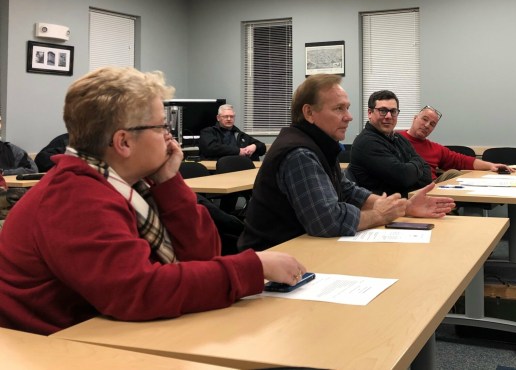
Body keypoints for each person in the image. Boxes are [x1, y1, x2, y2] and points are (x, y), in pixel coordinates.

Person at [0, 66, 304, 335]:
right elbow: (139, 291)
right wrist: (253, 267)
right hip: (57, 349)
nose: (170, 139)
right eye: (161, 127)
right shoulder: (75, 198)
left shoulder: (133, 184)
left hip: (107, 332)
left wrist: (169, 183)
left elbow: (202, 255)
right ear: (124, 142)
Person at [238, 75, 455, 252]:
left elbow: (347, 190)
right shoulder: (299, 153)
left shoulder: (320, 144)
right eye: (339, 109)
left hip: (302, 250)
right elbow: (328, 220)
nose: (349, 117)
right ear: (309, 113)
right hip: (273, 261)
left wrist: (402, 207)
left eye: (347, 108)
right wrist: (381, 215)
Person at [348, 90, 432, 196]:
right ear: (370, 113)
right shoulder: (367, 142)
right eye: (383, 111)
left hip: (410, 201)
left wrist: (412, 170)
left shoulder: (398, 138)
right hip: (386, 209)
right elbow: (403, 177)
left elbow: (427, 173)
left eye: (393, 111)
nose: (388, 116)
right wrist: (417, 164)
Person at [399, 105, 513, 181]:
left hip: (431, 188)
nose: (427, 125)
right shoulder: (394, 139)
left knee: (455, 174)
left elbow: (461, 160)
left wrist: (491, 166)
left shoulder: (435, 148)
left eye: (432, 124)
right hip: (406, 189)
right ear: (415, 118)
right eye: (424, 119)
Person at [198, 104, 267, 160]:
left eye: (231, 116)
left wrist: (254, 146)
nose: (229, 119)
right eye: (225, 116)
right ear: (218, 118)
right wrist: (238, 151)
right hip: (217, 170)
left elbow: (262, 147)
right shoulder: (208, 132)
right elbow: (210, 148)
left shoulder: (239, 134)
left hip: (240, 169)